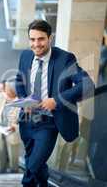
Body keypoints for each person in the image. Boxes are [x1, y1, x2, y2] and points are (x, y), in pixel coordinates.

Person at [15, 19, 94, 187]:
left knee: (32, 166)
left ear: (50, 38)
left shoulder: (65, 59)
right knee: (35, 164)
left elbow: (87, 85)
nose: (36, 44)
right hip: (27, 122)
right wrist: (24, 101)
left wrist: (56, 101)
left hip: (49, 123)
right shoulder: (25, 55)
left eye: (41, 39)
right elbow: (19, 81)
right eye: (32, 39)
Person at [0, 80, 20, 174]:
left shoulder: (19, 100)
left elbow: (23, 119)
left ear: (10, 89)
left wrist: (14, 127)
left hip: (12, 130)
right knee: (0, 149)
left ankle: (14, 170)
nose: (2, 92)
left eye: (3, 89)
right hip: (0, 129)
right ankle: (2, 168)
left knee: (13, 151)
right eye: (1, 89)